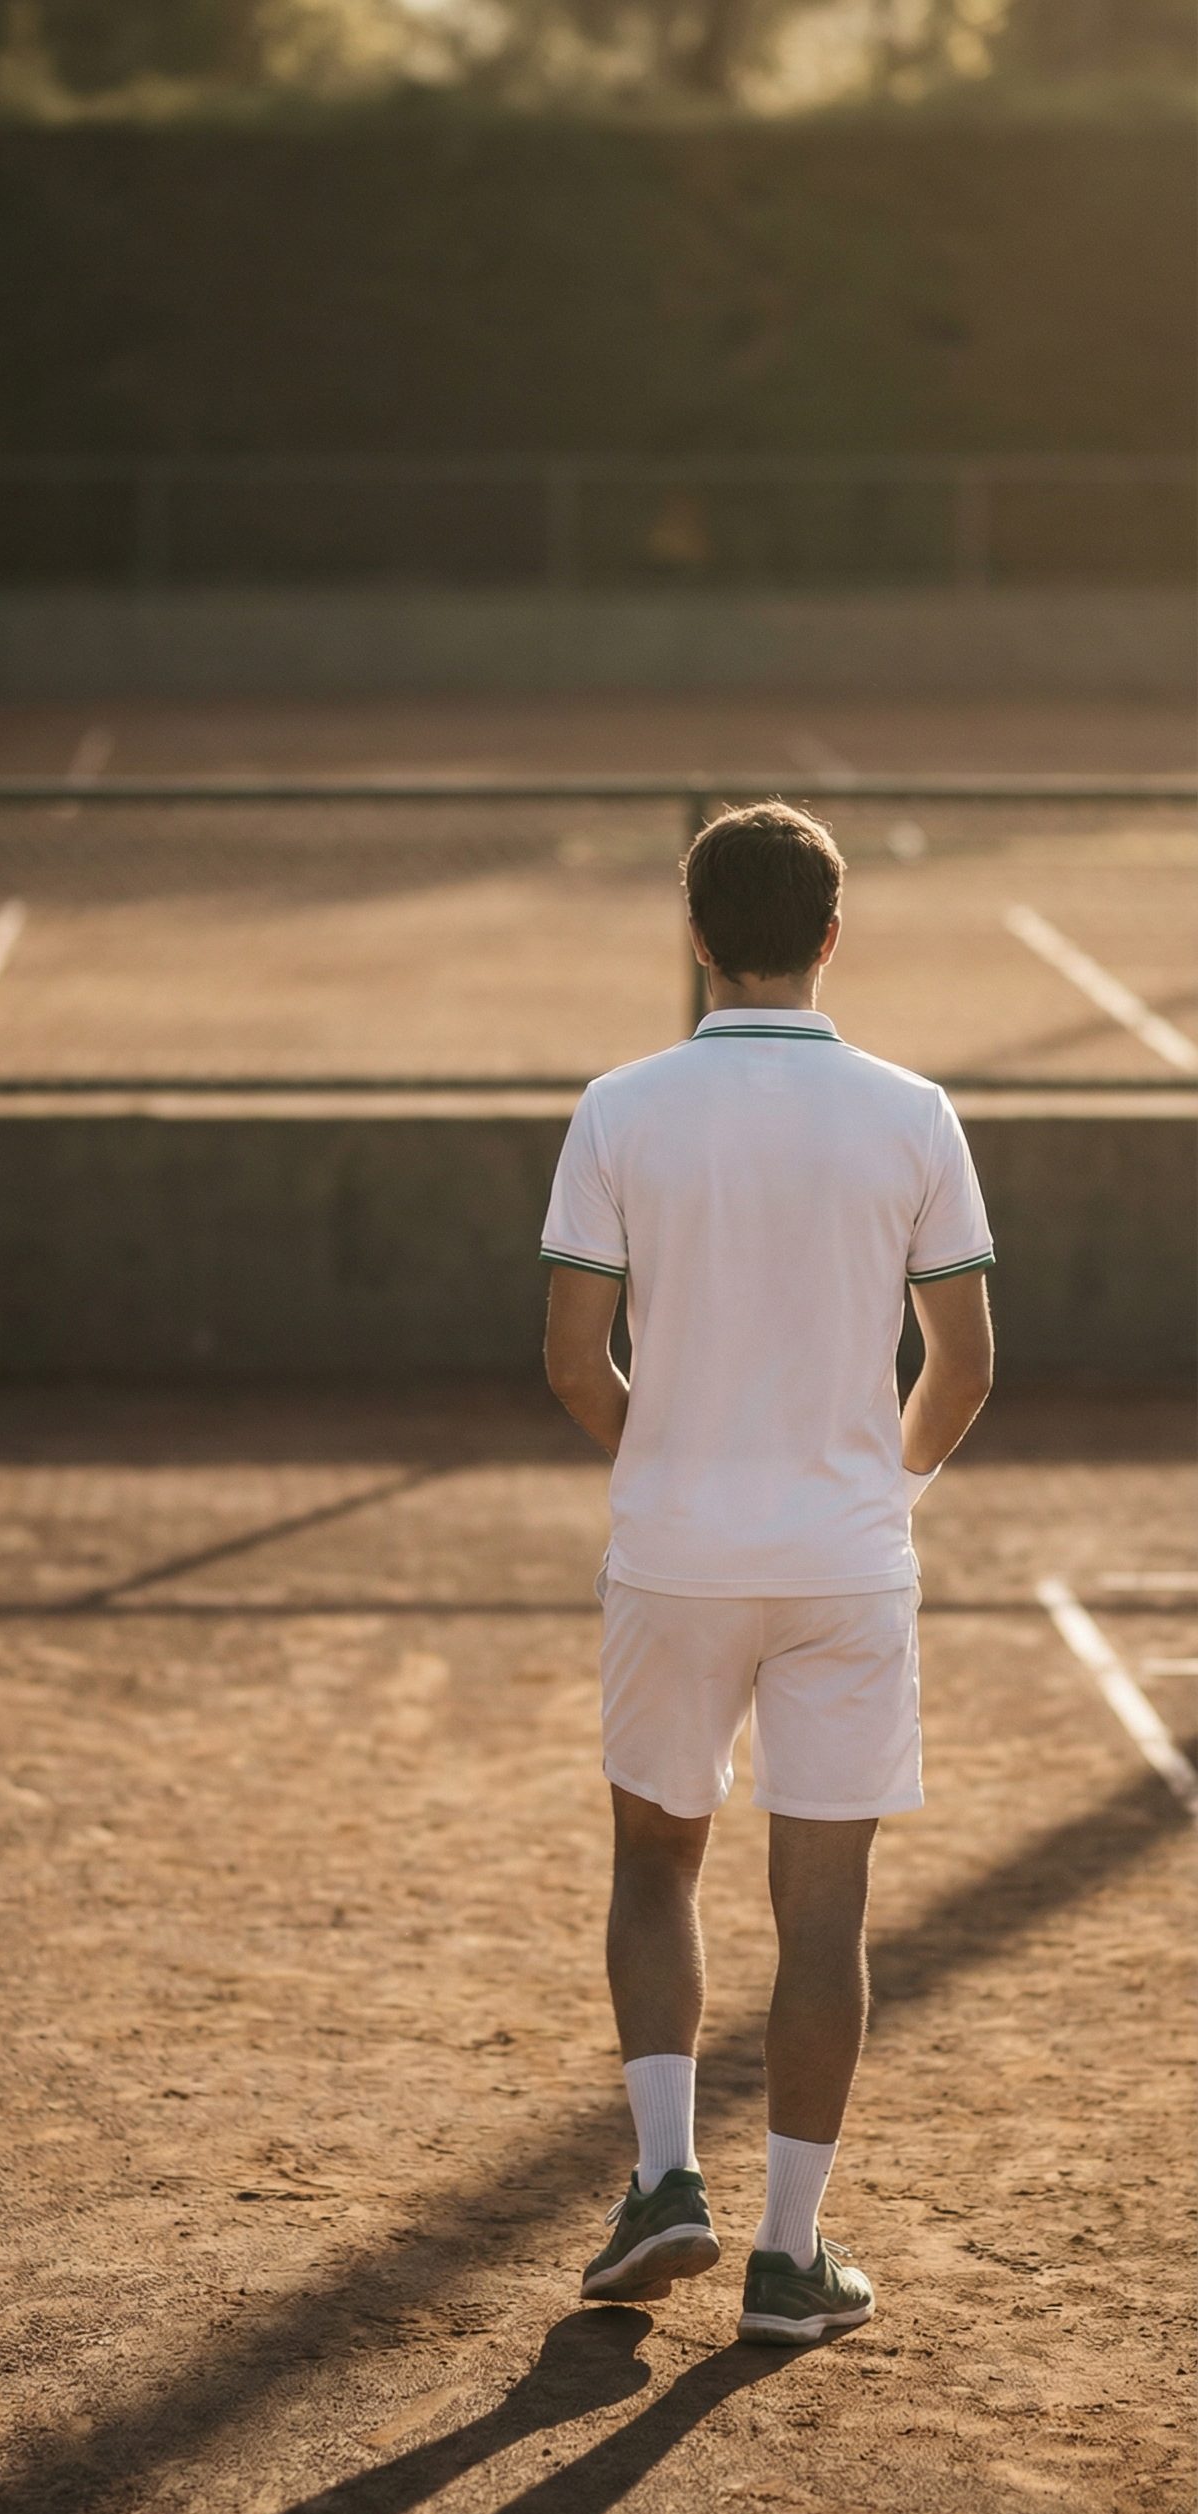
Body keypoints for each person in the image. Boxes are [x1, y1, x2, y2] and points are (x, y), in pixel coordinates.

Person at [541, 800, 994, 2343]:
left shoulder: (619, 1105)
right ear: (832, 935)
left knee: (655, 1863)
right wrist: (888, 1483)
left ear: (695, 936)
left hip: (674, 1556)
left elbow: (568, 1355)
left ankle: (666, 2176)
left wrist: (662, 1461)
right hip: (846, 1564)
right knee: (826, 1915)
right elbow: (967, 1362)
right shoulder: (915, 1112)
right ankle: (789, 2265)